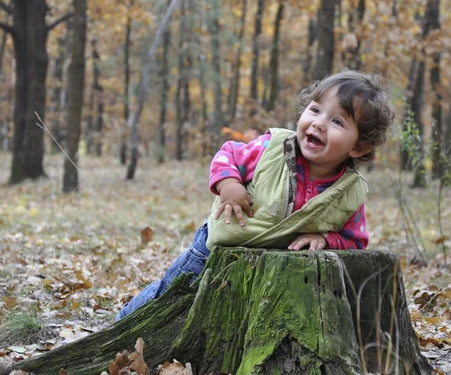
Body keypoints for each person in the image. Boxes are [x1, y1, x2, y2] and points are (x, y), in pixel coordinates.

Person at [116, 69, 395, 320]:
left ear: (358, 147)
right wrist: (229, 186)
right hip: (214, 249)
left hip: (267, 270)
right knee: (171, 295)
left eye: (337, 121)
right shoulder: (273, 149)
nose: (319, 123)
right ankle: (125, 320)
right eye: (315, 110)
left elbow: (356, 241)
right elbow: (228, 155)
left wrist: (325, 238)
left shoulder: (349, 191)